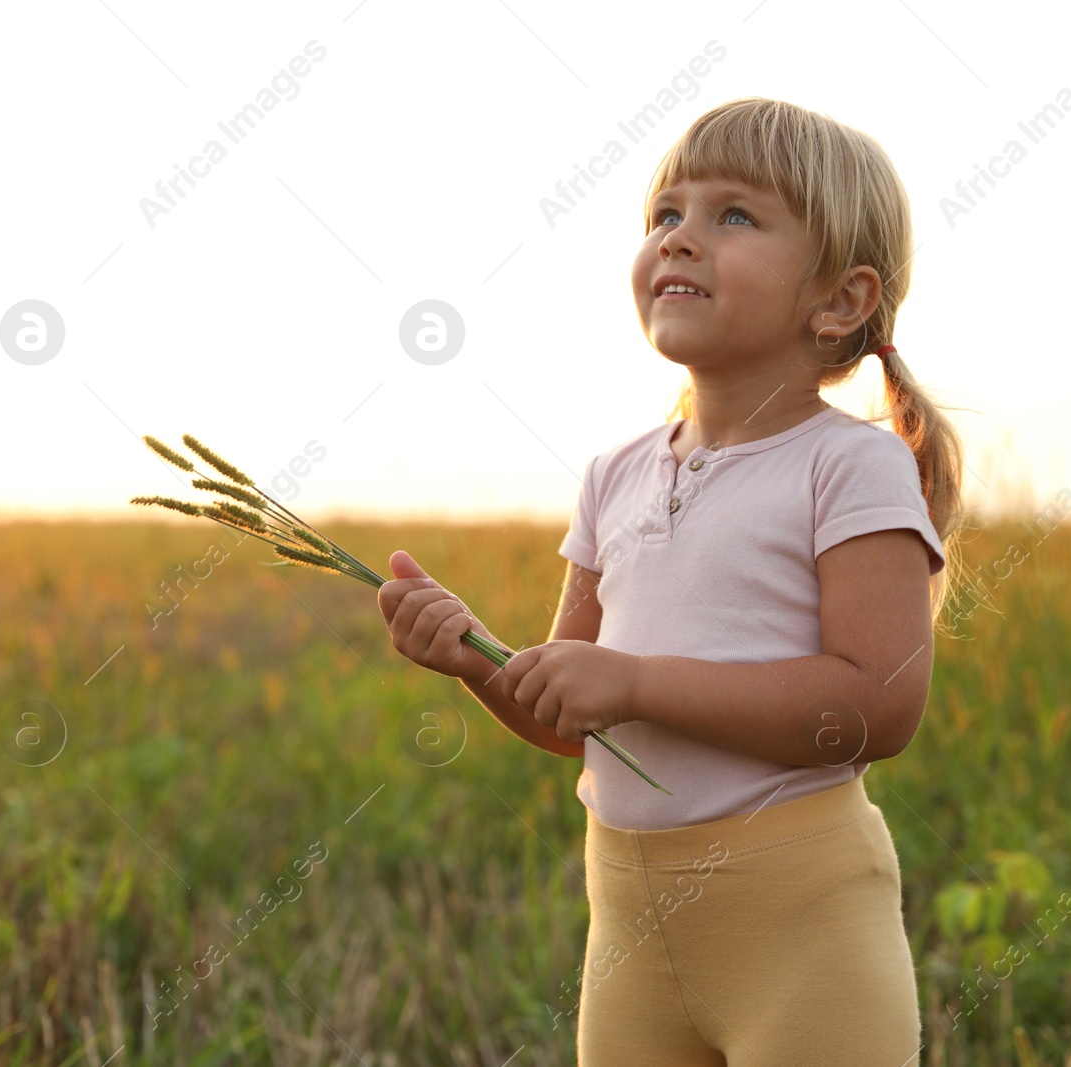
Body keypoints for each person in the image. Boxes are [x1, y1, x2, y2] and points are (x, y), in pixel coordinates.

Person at [377, 96, 967, 1065]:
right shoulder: (615, 473)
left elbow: (877, 703)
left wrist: (637, 679)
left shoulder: (847, 466)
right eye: (665, 216)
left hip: (802, 932)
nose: (681, 239)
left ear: (841, 300)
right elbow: (569, 713)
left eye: (733, 216)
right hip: (630, 937)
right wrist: (475, 657)